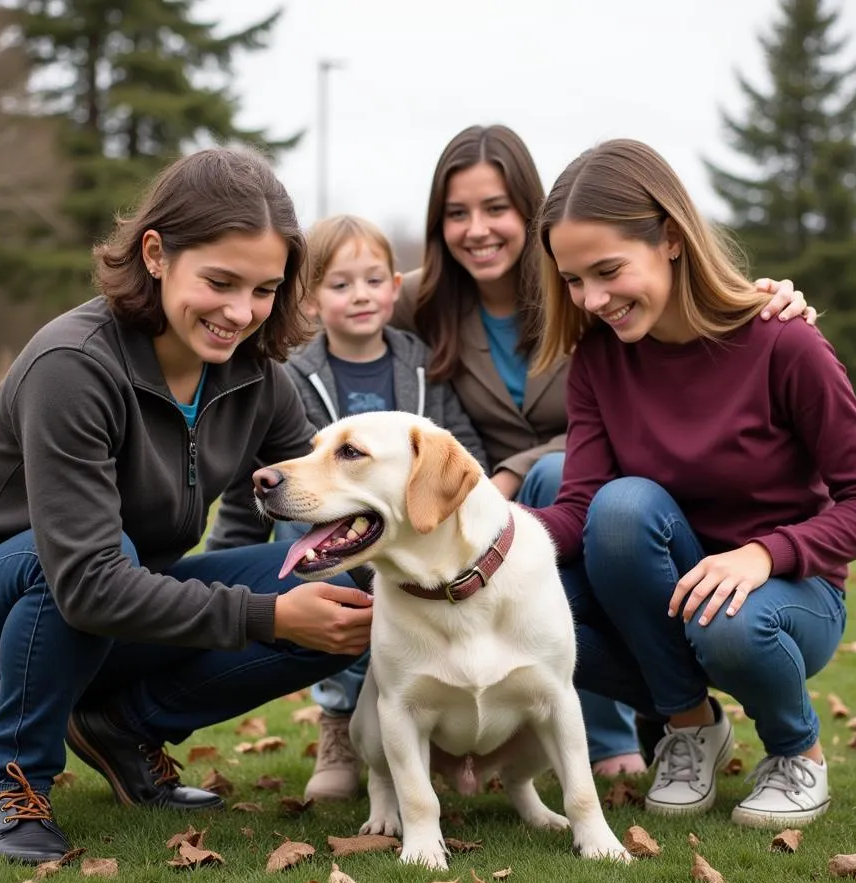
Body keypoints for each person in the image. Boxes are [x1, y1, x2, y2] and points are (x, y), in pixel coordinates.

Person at [209, 125, 814, 795]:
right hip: (484, 511)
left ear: (532, 212)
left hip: (588, 495)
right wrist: (236, 323)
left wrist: (756, 295)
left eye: (496, 208)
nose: (477, 229)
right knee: (395, 533)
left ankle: (619, 730)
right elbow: (346, 295)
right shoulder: (423, 299)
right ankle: (361, 714)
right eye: (456, 213)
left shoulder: (585, 295)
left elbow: (671, 317)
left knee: (566, 493)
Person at [0, 149, 373, 863]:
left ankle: (122, 726)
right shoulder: (74, 365)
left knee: (331, 589)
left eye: (264, 289)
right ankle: (7, 784)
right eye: (219, 281)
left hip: (106, 614)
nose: (240, 313)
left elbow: (331, 499)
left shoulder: (258, 382)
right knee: (102, 558)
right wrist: (266, 616)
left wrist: (430, 558)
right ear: (155, 254)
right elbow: (86, 579)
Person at [531, 138, 856, 827]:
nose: (593, 298)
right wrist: (482, 544)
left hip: (788, 597)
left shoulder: (784, 342)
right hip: (672, 588)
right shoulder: (598, 361)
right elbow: (581, 508)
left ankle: (798, 753)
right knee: (563, 580)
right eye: (575, 280)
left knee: (727, 621)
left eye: (608, 270)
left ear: (670, 238)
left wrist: (763, 555)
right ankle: (690, 724)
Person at [269, 213, 488, 801]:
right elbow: (292, 467)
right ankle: (339, 722)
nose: (360, 295)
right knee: (342, 602)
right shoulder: (296, 376)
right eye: (340, 285)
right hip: (339, 529)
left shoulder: (421, 364)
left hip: (413, 534)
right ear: (311, 301)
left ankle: (445, 719)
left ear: (396, 288)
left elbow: (459, 443)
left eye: (373, 280)